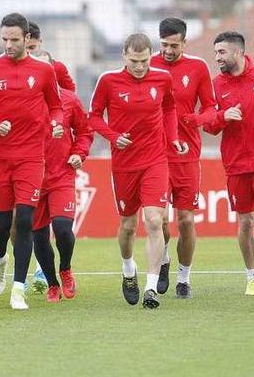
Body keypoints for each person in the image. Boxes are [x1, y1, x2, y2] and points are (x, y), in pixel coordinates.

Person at [0, 12, 63, 310]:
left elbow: (57, 107)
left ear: (27, 39)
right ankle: (0, 260)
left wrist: (57, 123)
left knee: (24, 221)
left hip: (31, 158)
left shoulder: (44, 71)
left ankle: (18, 289)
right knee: (1, 225)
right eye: (4, 39)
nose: (9, 45)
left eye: (14, 40)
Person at [89, 33, 187, 309]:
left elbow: (169, 108)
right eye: (134, 61)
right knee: (128, 227)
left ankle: (151, 288)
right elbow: (93, 117)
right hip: (124, 164)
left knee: (155, 220)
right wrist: (112, 135)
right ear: (124, 55)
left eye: (144, 61)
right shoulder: (108, 81)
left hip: (156, 160)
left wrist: (173, 137)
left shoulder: (162, 78)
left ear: (150, 56)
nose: (140, 67)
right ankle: (129, 270)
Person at [149, 18, 216, 298]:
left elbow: (212, 108)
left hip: (187, 155)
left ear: (184, 43)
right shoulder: (147, 65)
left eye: (174, 46)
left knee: (186, 220)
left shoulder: (197, 67)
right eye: (164, 44)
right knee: (159, 219)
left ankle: (184, 278)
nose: (167, 50)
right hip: (155, 155)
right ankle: (162, 261)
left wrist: (193, 119)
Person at [203, 31, 254, 296]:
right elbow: (208, 125)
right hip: (236, 165)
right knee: (245, 222)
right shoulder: (216, 85)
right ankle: (252, 277)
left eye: (222, 52)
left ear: (238, 52)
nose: (217, 58)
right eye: (216, 52)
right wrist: (222, 116)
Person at [30, 53, 93, 302]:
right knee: (39, 235)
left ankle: (65, 269)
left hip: (62, 176)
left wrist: (79, 153)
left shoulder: (69, 100)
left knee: (63, 229)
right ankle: (52, 283)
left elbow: (85, 132)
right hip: (31, 178)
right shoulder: (22, 101)